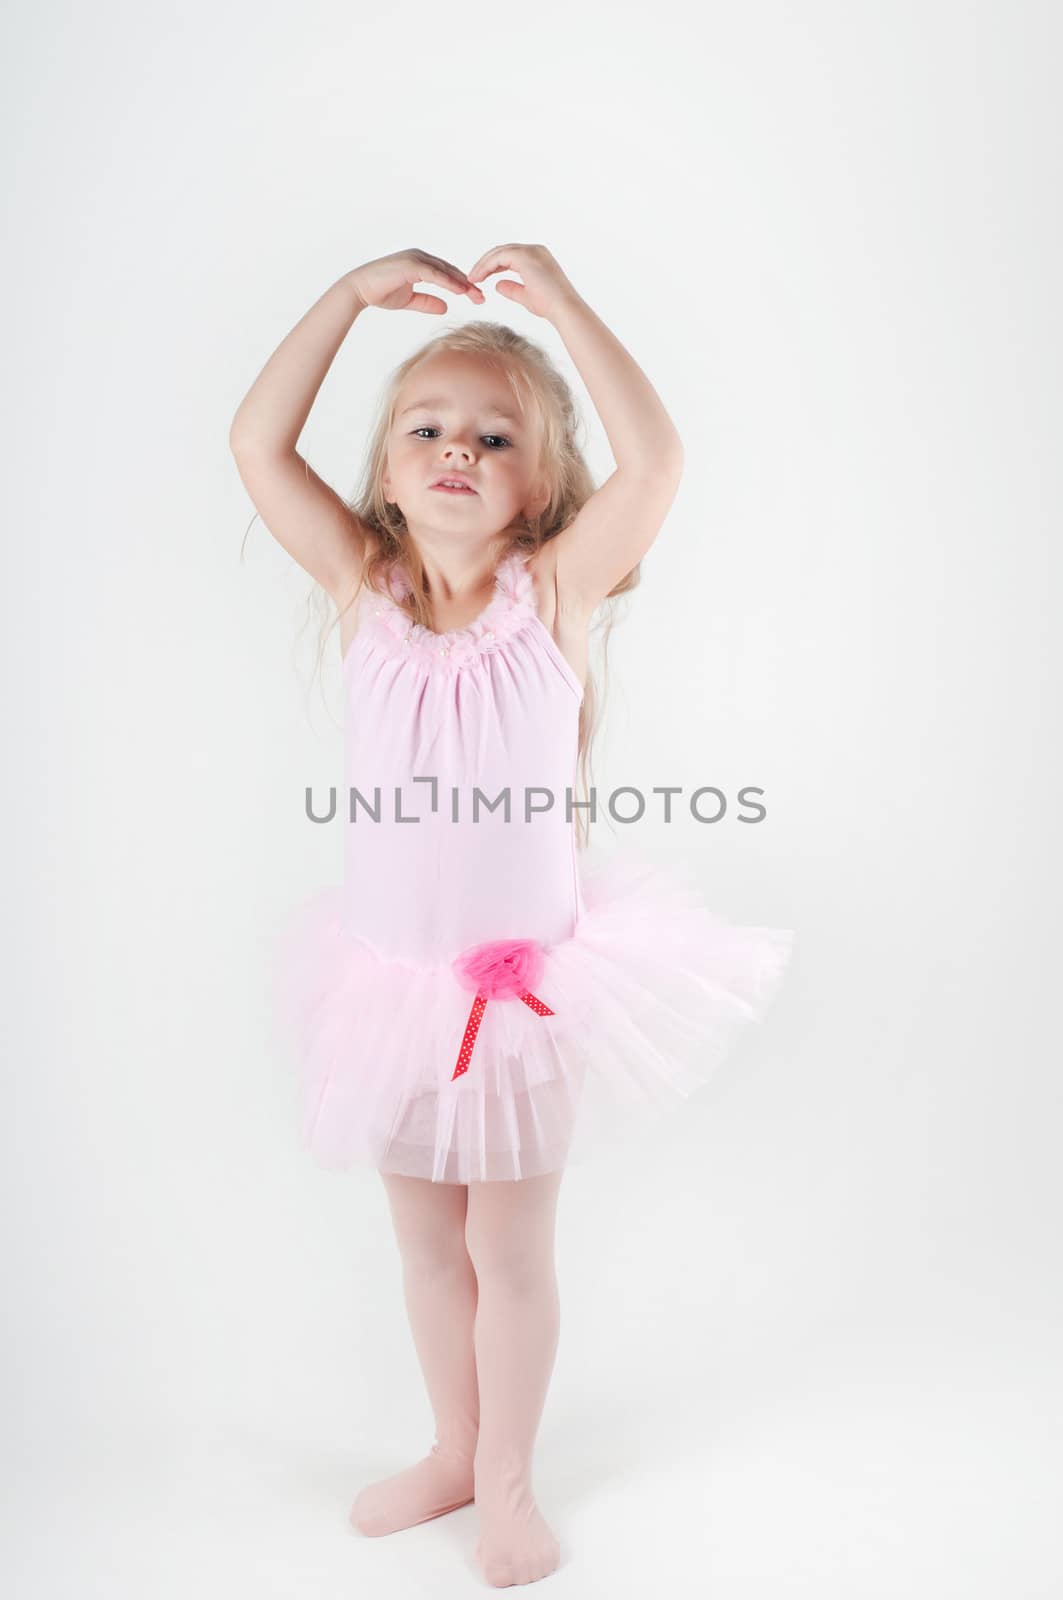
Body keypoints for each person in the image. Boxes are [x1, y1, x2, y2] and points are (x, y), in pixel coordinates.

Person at [229, 244, 794, 1588]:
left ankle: (508, 1485)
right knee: (426, 1242)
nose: (456, 451)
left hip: (518, 996)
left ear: (540, 487)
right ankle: (448, 1447)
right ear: (383, 471)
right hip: (386, 988)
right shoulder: (364, 594)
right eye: (426, 429)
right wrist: (346, 302)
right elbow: (256, 443)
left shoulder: (555, 597)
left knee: (507, 1244)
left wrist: (565, 308)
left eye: (495, 437)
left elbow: (654, 466)